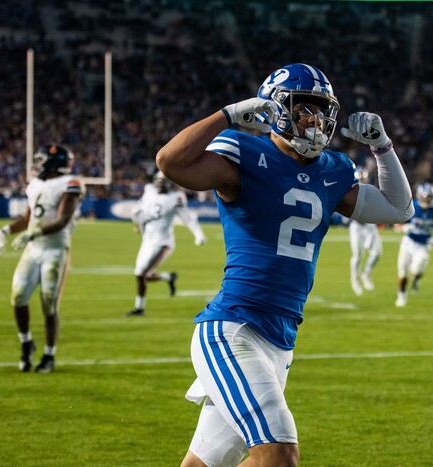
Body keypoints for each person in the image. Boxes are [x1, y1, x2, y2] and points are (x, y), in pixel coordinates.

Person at [156, 63, 414, 467]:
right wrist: (225, 115)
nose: (314, 120)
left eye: (320, 110)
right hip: (233, 329)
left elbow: (400, 210)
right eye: (304, 108)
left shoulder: (334, 170)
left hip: (280, 339)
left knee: (204, 463)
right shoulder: (246, 151)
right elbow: (171, 162)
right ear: (276, 109)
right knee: (279, 455)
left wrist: (383, 146)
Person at [0, 145, 85, 373]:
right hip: (33, 249)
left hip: (55, 250)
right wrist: (5, 230)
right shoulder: (35, 184)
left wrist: (35, 232)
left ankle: (49, 356)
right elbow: (28, 218)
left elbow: (62, 219)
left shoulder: (71, 183)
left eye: (42, 160)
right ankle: (26, 343)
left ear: (54, 162)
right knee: (18, 296)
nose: (38, 163)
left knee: (48, 305)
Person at [126, 170, 206, 317]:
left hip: (163, 242)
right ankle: (169, 278)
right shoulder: (149, 191)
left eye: (164, 182)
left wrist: (198, 234)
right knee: (141, 275)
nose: (161, 184)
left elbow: (187, 218)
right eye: (159, 181)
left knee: (142, 274)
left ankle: (139, 308)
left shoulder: (175, 198)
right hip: (147, 241)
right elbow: (141, 209)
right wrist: (136, 219)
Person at [395, 182, 433, 307]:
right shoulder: (412, 206)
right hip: (409, 242)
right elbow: (396, 224)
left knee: (416, 269)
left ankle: (416, 279)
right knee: (402, 272)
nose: (427, 202)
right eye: (425, 199)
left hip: (423, 245)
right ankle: (401, 295)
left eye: (429, 199)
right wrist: (403, 228)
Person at [348, 169, 383, 295]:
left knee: (377, 252)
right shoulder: (350, 191)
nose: (362, 182)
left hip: (369, 225)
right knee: (358, 255)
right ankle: (355, 280)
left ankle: (366, 274)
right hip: (357, 226)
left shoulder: (371, 190)